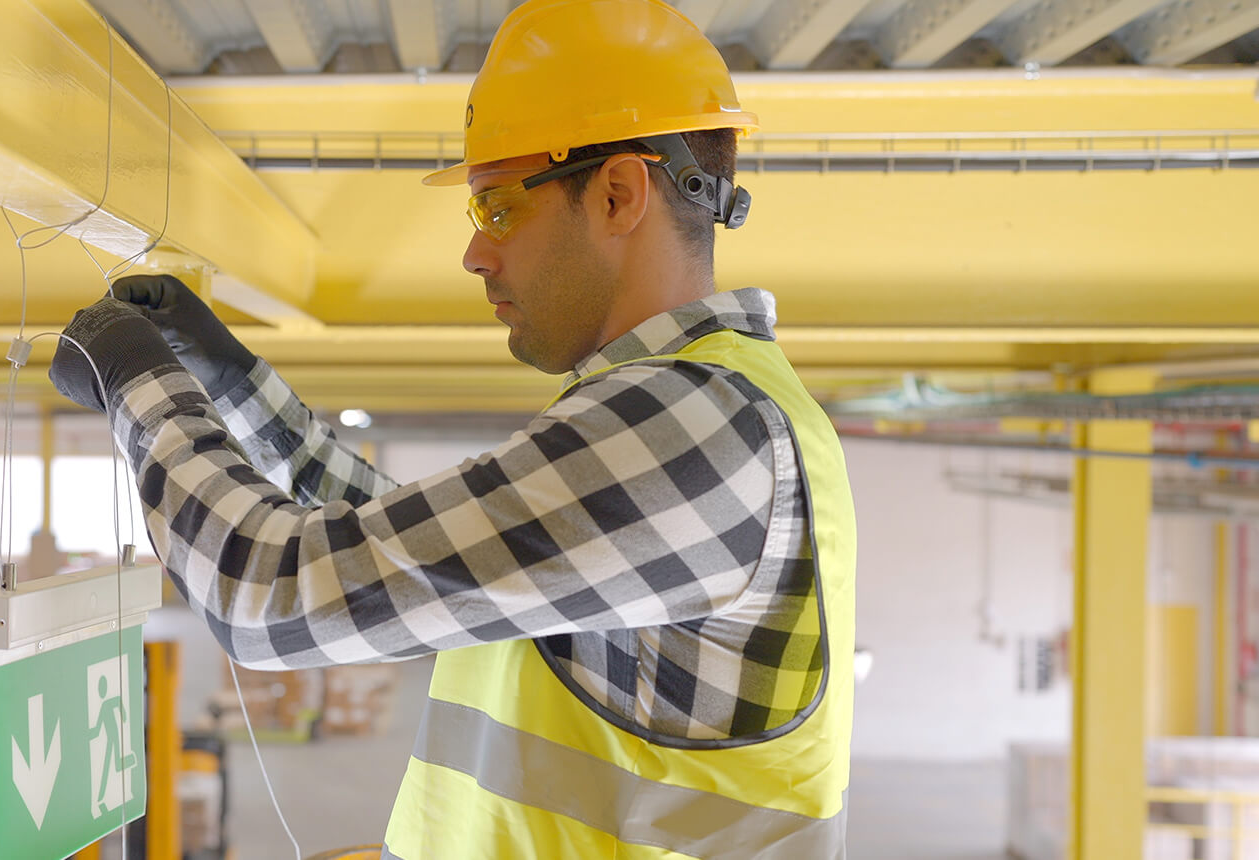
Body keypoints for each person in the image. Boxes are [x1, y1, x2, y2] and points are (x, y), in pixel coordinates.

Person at [46, 0, 856, 855]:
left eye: (499, 208)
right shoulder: (697, 411)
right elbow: (413, 551)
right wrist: (229, 379)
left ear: (619, 194)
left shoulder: (695, 430)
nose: (476, 254)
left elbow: (265, 598)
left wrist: (136, 380)